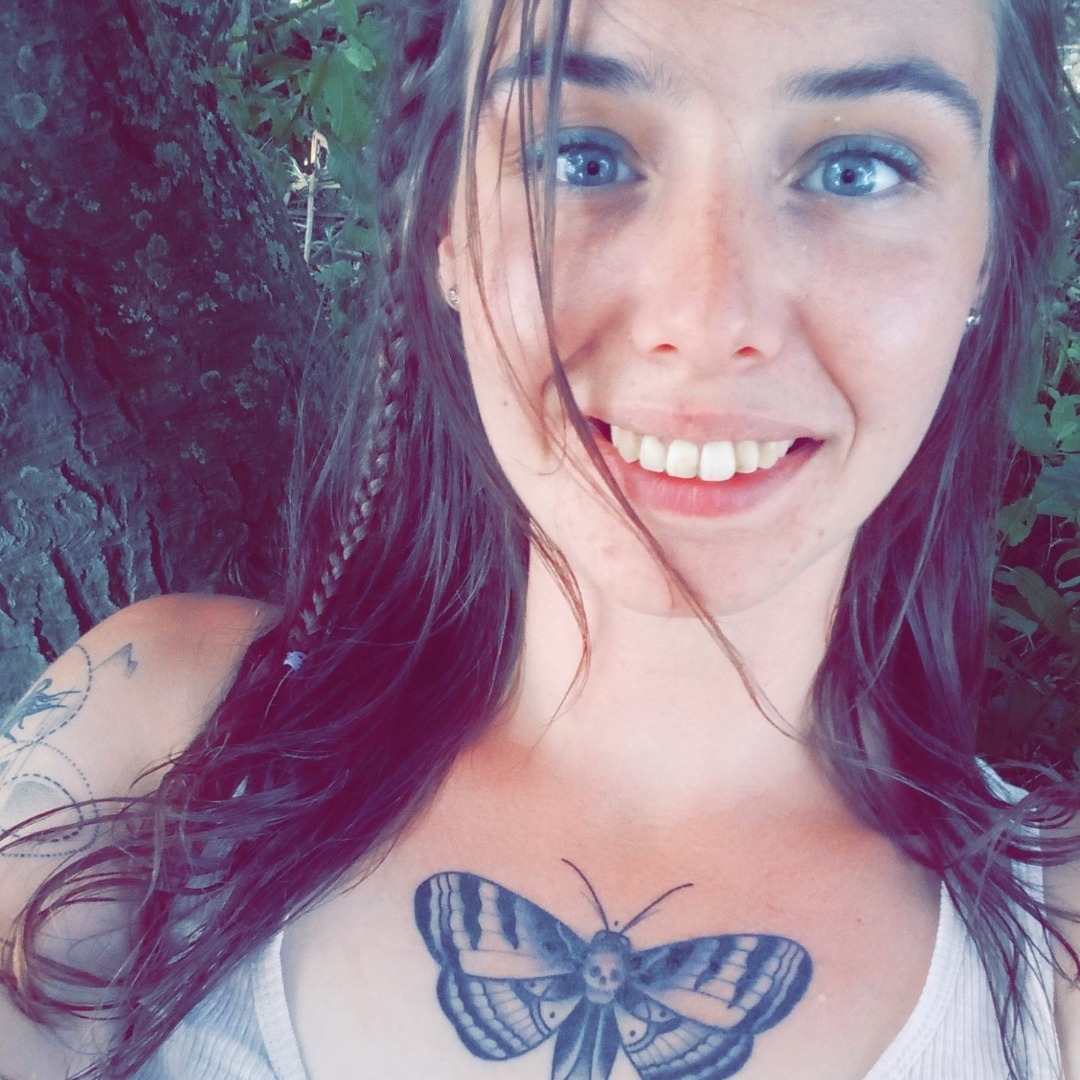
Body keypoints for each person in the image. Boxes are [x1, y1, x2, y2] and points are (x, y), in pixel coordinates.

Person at [1, 0, 1078, 1076]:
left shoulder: (1057, 957)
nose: (707, 322)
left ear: (990, 238)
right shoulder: (154, 736)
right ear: (443, 220)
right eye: (580, 155)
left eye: (858, 169)